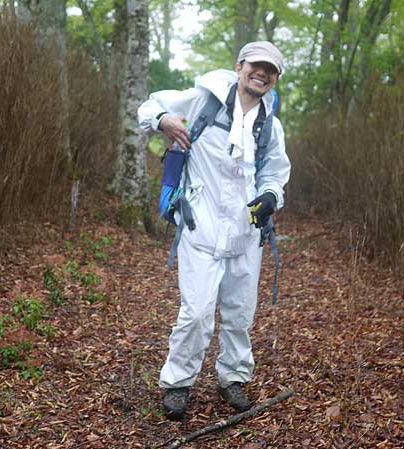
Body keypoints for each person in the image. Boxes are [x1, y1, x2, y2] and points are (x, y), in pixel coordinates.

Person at [138, 41, 291, 420]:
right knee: (198, 311)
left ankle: (233, 378)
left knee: (240, 313)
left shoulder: (270, 125)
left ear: (275, 79)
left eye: (270, 70)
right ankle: (177, 384)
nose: (261, 73)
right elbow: (148, 105)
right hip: (199, 224)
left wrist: (271, 196)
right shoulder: (201, 100)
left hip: (246, 232)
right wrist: (164, 121)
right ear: (240, 66)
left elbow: (275, 172)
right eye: (256, 65)